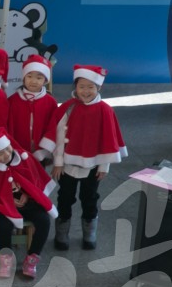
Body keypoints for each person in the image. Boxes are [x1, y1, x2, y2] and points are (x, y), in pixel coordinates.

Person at [39, 65, 127, 250]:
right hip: (67, 165)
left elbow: (108, 141)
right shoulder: (68, 108)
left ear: (98, 88)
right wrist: (58, 163)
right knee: (65, 197)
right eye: (82, 86)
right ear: (75, 87)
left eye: (90, 87)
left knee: (90, 198)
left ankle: (89, 232)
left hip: (93, 166)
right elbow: (59, 136)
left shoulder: (105, 110)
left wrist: (103, 167)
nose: (85, 91)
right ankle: (62, 233)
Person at [0, 127, 57, 279]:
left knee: (44, 221)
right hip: (4, 206)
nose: (6, 155)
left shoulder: (25, 158)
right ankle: (6, 259)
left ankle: (32, 258)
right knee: (4, 225)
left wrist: (28, 197)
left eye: (7, 149)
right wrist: (8, 200)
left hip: (29, 203)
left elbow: (35, 183)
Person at [7, 55, 58, 164]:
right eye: (29, 76)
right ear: (24, 78)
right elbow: (9, 126)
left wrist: (44, 150)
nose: (33, 81)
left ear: (45, 81)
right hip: (17, 152)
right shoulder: (13, 100)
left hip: (41, 154)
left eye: (39, 78)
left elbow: (53, 127)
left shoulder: (50, 102)